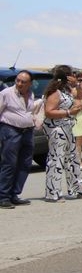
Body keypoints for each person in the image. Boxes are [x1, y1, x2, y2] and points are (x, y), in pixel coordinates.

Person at [42, 65, 82, 203]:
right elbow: (49, 111)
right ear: (67, 77)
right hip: (57, 129)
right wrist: (68, 112)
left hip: (68, 128)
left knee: (72, 159)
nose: (75, 76)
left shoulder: (67, 90)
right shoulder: (55, 92)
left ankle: (78, 188)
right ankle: (53, 193)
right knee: (56, 159)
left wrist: (77, 85)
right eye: (73, 74)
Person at [0, 70, 39, 208]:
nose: (19, 83)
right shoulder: (6, 94)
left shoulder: (30, 94)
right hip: (10, 130)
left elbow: (29, 111)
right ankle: (3, 197)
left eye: (23, 82)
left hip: (27, 131)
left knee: (25, 164)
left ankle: (14, 194)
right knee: (9, 164)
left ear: (30, 83)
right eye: (18, 80)